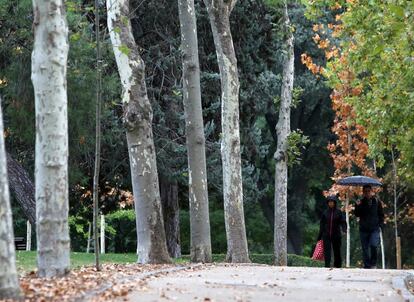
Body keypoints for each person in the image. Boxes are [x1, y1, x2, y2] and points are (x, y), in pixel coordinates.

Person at [354, 184, 384, 269]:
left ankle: (373, 264)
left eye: (368, 191)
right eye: (365, 191)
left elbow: (381, 214)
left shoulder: (377, 202)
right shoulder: (360, 202)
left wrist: (380, 225)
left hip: (374, 228)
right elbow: (357, 214)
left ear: (371, 191)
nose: (367, 193)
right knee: (365, 248)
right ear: (363, 192)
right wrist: (357, 205)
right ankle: (367, 266)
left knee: (374, 245)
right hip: (363, 229)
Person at [317, 195, 347, 268]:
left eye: (332, 202)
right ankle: (327, 265)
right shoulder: (325, 213)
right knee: (327, 251)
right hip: (326, 235)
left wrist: (344, 229)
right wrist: (319, 236)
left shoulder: (339, 212)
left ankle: (337, 265)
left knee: (337, 251)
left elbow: (343, 222)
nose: (331, 203)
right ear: (327, 203)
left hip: (336, 234)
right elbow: (322, 224)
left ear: (335, 203)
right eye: (329, 202)